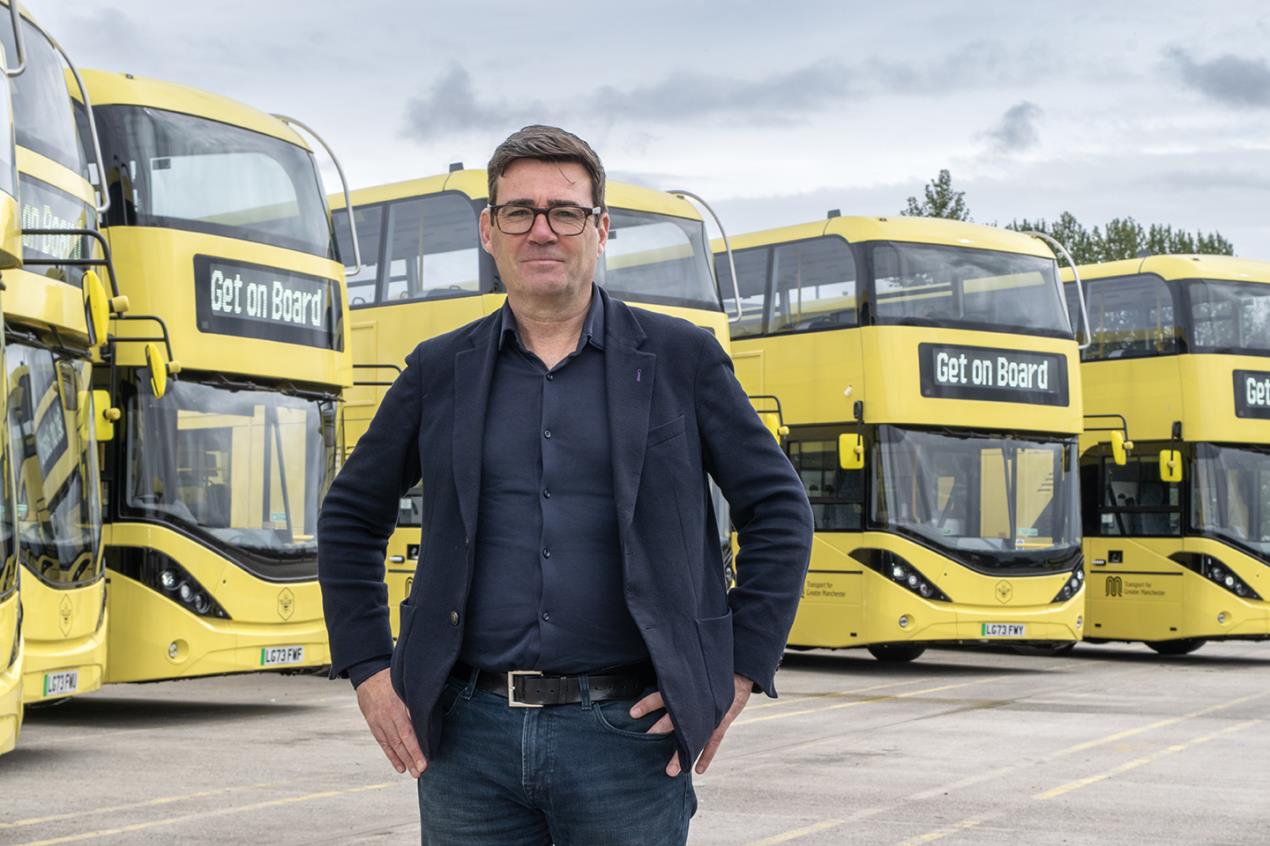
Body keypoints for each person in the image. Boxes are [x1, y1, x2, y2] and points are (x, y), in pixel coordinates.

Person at [318, 125, 813, 845]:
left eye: (565, 212)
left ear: (600, 228)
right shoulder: (436, 370)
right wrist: (367, 666)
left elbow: (778, 511)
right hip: (465, 741)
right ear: (490, 231)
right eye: (519, 212)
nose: (541, 230)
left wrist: (735, 670)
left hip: (628, 739)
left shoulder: (683, 360)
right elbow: (351, 514)